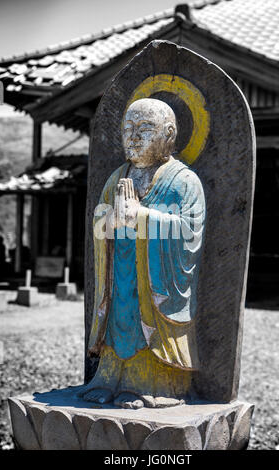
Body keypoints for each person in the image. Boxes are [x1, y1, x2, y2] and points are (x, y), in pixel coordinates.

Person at [78, 98, 206, 408]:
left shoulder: (183, 181)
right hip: (120, 275)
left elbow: (190, 231)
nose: (134, 138)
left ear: (169, 134)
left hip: (157, 281)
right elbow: (100, 222)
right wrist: (110, 219)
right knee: (119, 317)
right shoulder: (117, 176)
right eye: (128, 129)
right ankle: (109, 378)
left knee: (147, 324)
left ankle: (152, 384)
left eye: (145, 129)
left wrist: (141, 216)